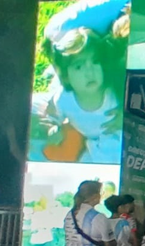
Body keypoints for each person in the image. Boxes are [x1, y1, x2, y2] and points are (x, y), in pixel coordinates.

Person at [36, 0, 129, 164]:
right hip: (76, 88)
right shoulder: (64, 98)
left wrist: (127, 112)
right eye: (79, 66)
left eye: (95, 62)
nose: (90, 71)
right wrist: (52, 128)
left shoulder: (111, 90)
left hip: (112, 136)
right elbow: (51, 113)